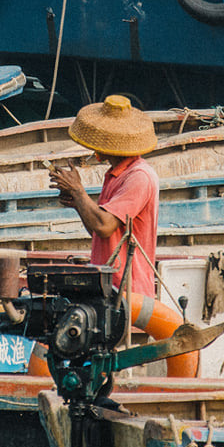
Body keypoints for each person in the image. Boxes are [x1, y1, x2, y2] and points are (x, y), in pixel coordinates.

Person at [48, 95, 159, 297]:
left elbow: (104, 226)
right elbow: (97, 232)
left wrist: (78, 191)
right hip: (108, 286)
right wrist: (78, 203)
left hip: (128, 290)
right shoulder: (115, 175)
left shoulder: (139, 177)